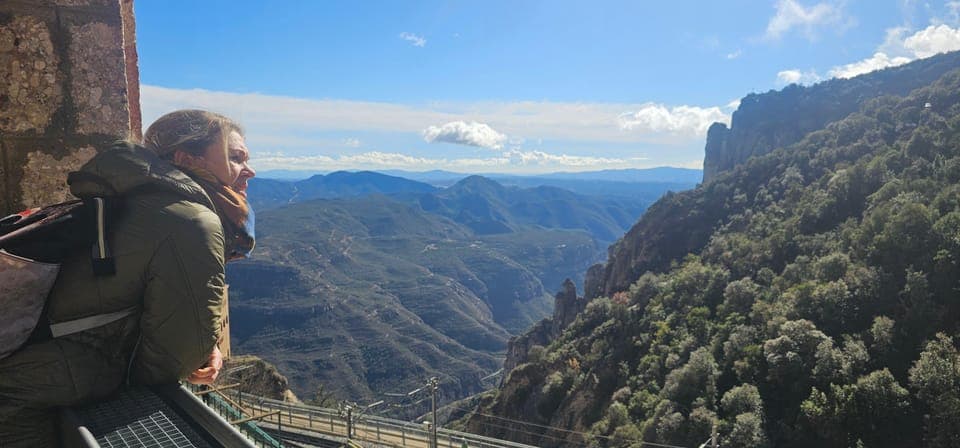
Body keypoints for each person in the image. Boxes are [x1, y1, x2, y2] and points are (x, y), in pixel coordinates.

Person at [0, 109, 256, 446]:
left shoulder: (129, 201)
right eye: (235, 158)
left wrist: (197, 346)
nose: (250, 171)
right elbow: (175, 358)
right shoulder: (192, 221)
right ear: (185, 159)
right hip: (23, 397)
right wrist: (196, 352)